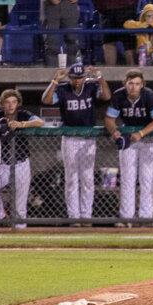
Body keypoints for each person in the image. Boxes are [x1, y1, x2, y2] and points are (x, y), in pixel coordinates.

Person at [41, 63, 111, 222]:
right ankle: (74, 217)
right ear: (69, 78)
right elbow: (46, 99)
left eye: (80, 77)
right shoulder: (63, 88)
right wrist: (55, 81)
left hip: (88, 138)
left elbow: (106, 96)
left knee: (87, 178)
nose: (77, 81)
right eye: (74, 78)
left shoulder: (91, 87)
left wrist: (100, 77)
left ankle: (86, 216)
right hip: (70, 138)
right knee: (71, 178)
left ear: (84, 77)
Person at [104, 69, 153, 225]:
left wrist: (142, 133)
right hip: (128, 139)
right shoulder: (118, 95)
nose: (133, 87)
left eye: (137, 83)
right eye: (130, 83)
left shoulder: (149, 95)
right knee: (127, 178)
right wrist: (115, 132)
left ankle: (146, 217)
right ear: (125, 83)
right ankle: (127, 217)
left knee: (146, 178)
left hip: (149, 138)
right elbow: (109, 119)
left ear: (142, 84)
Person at [0, 89, 43, 226]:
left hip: (22, 163)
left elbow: (40, 122)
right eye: (7, 102)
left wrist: (22, 124)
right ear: (2, 104)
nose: (10, 105)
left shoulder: (23, 114)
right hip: (1, 163)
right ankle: (0, 217)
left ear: (18, 103)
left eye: (14, 102)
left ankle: (21, 237)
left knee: (20, 206)